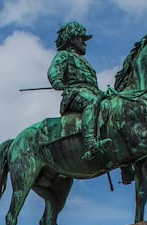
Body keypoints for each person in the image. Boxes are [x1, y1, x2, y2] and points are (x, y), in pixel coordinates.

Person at [47, 21, 112, 161]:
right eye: (82, 39)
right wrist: (58, 82)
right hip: (74, 95)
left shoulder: (84, 61)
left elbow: (91, 85)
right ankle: (90, 143)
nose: (84, 43)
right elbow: (54, 71)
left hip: (90, 92)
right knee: (92, 102)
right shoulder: (64, 55)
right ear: (72, 39)